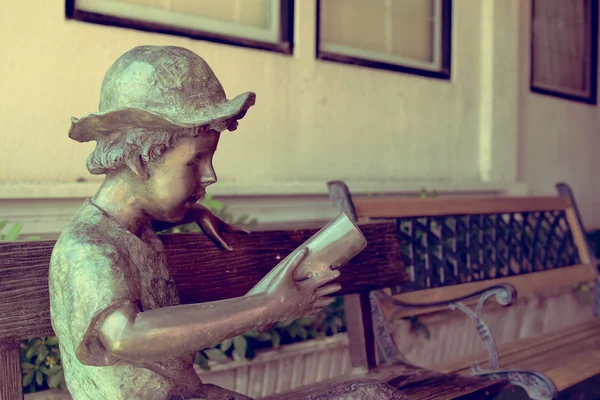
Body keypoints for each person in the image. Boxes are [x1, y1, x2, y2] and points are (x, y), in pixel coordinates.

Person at [49, 45, 341, 400]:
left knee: (368, 393)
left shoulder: (131, 229)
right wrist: (267, 305)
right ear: (142, 159)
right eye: (195, 161)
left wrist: (194, 212)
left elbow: (130, 233)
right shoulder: (86, 249)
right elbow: (124, 335)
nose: (210, 175)